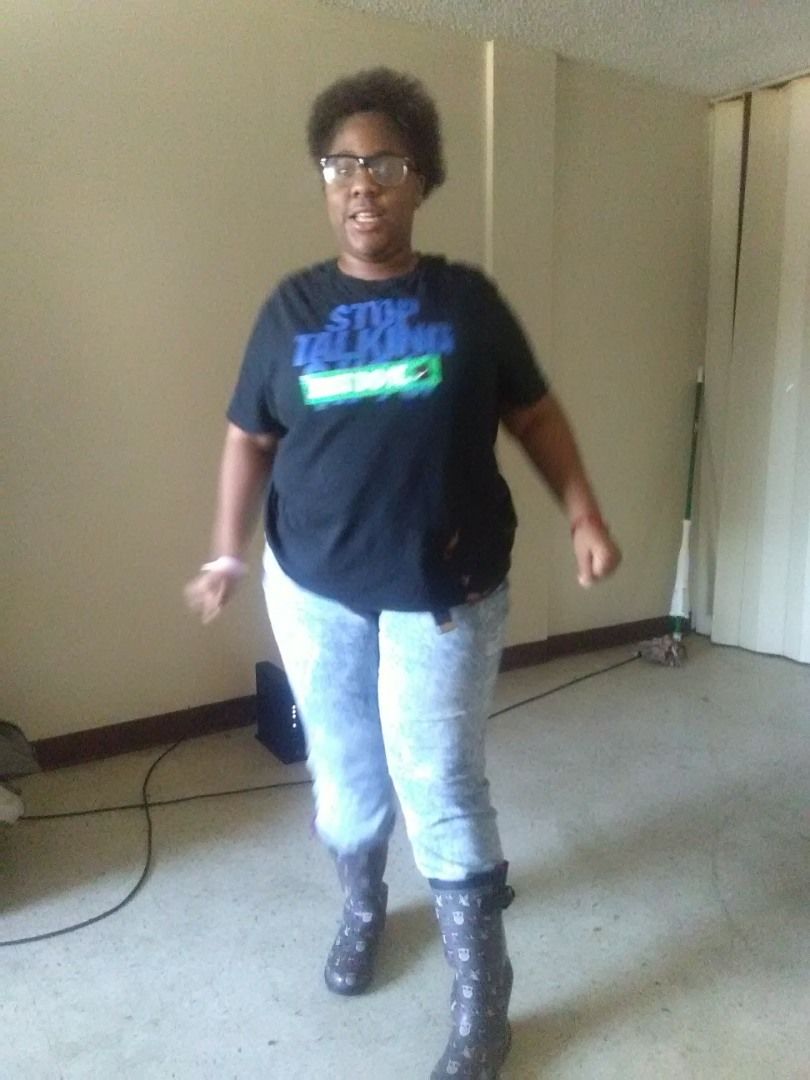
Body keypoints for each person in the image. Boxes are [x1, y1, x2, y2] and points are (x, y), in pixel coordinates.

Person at [185, 67, 621, 1080]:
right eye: (341, 164)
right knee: (344, 782)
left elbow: (534, 414)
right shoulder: (291, 309)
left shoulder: (467, 303)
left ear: (422, 178)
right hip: (314, 587)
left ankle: (484, 997)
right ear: (324, 181)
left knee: (439, 782)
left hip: (445, 590)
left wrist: (584, 512)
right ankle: (365, 905)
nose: (361, 182)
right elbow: (249, 435)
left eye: (385, 163)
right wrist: (226, 550)